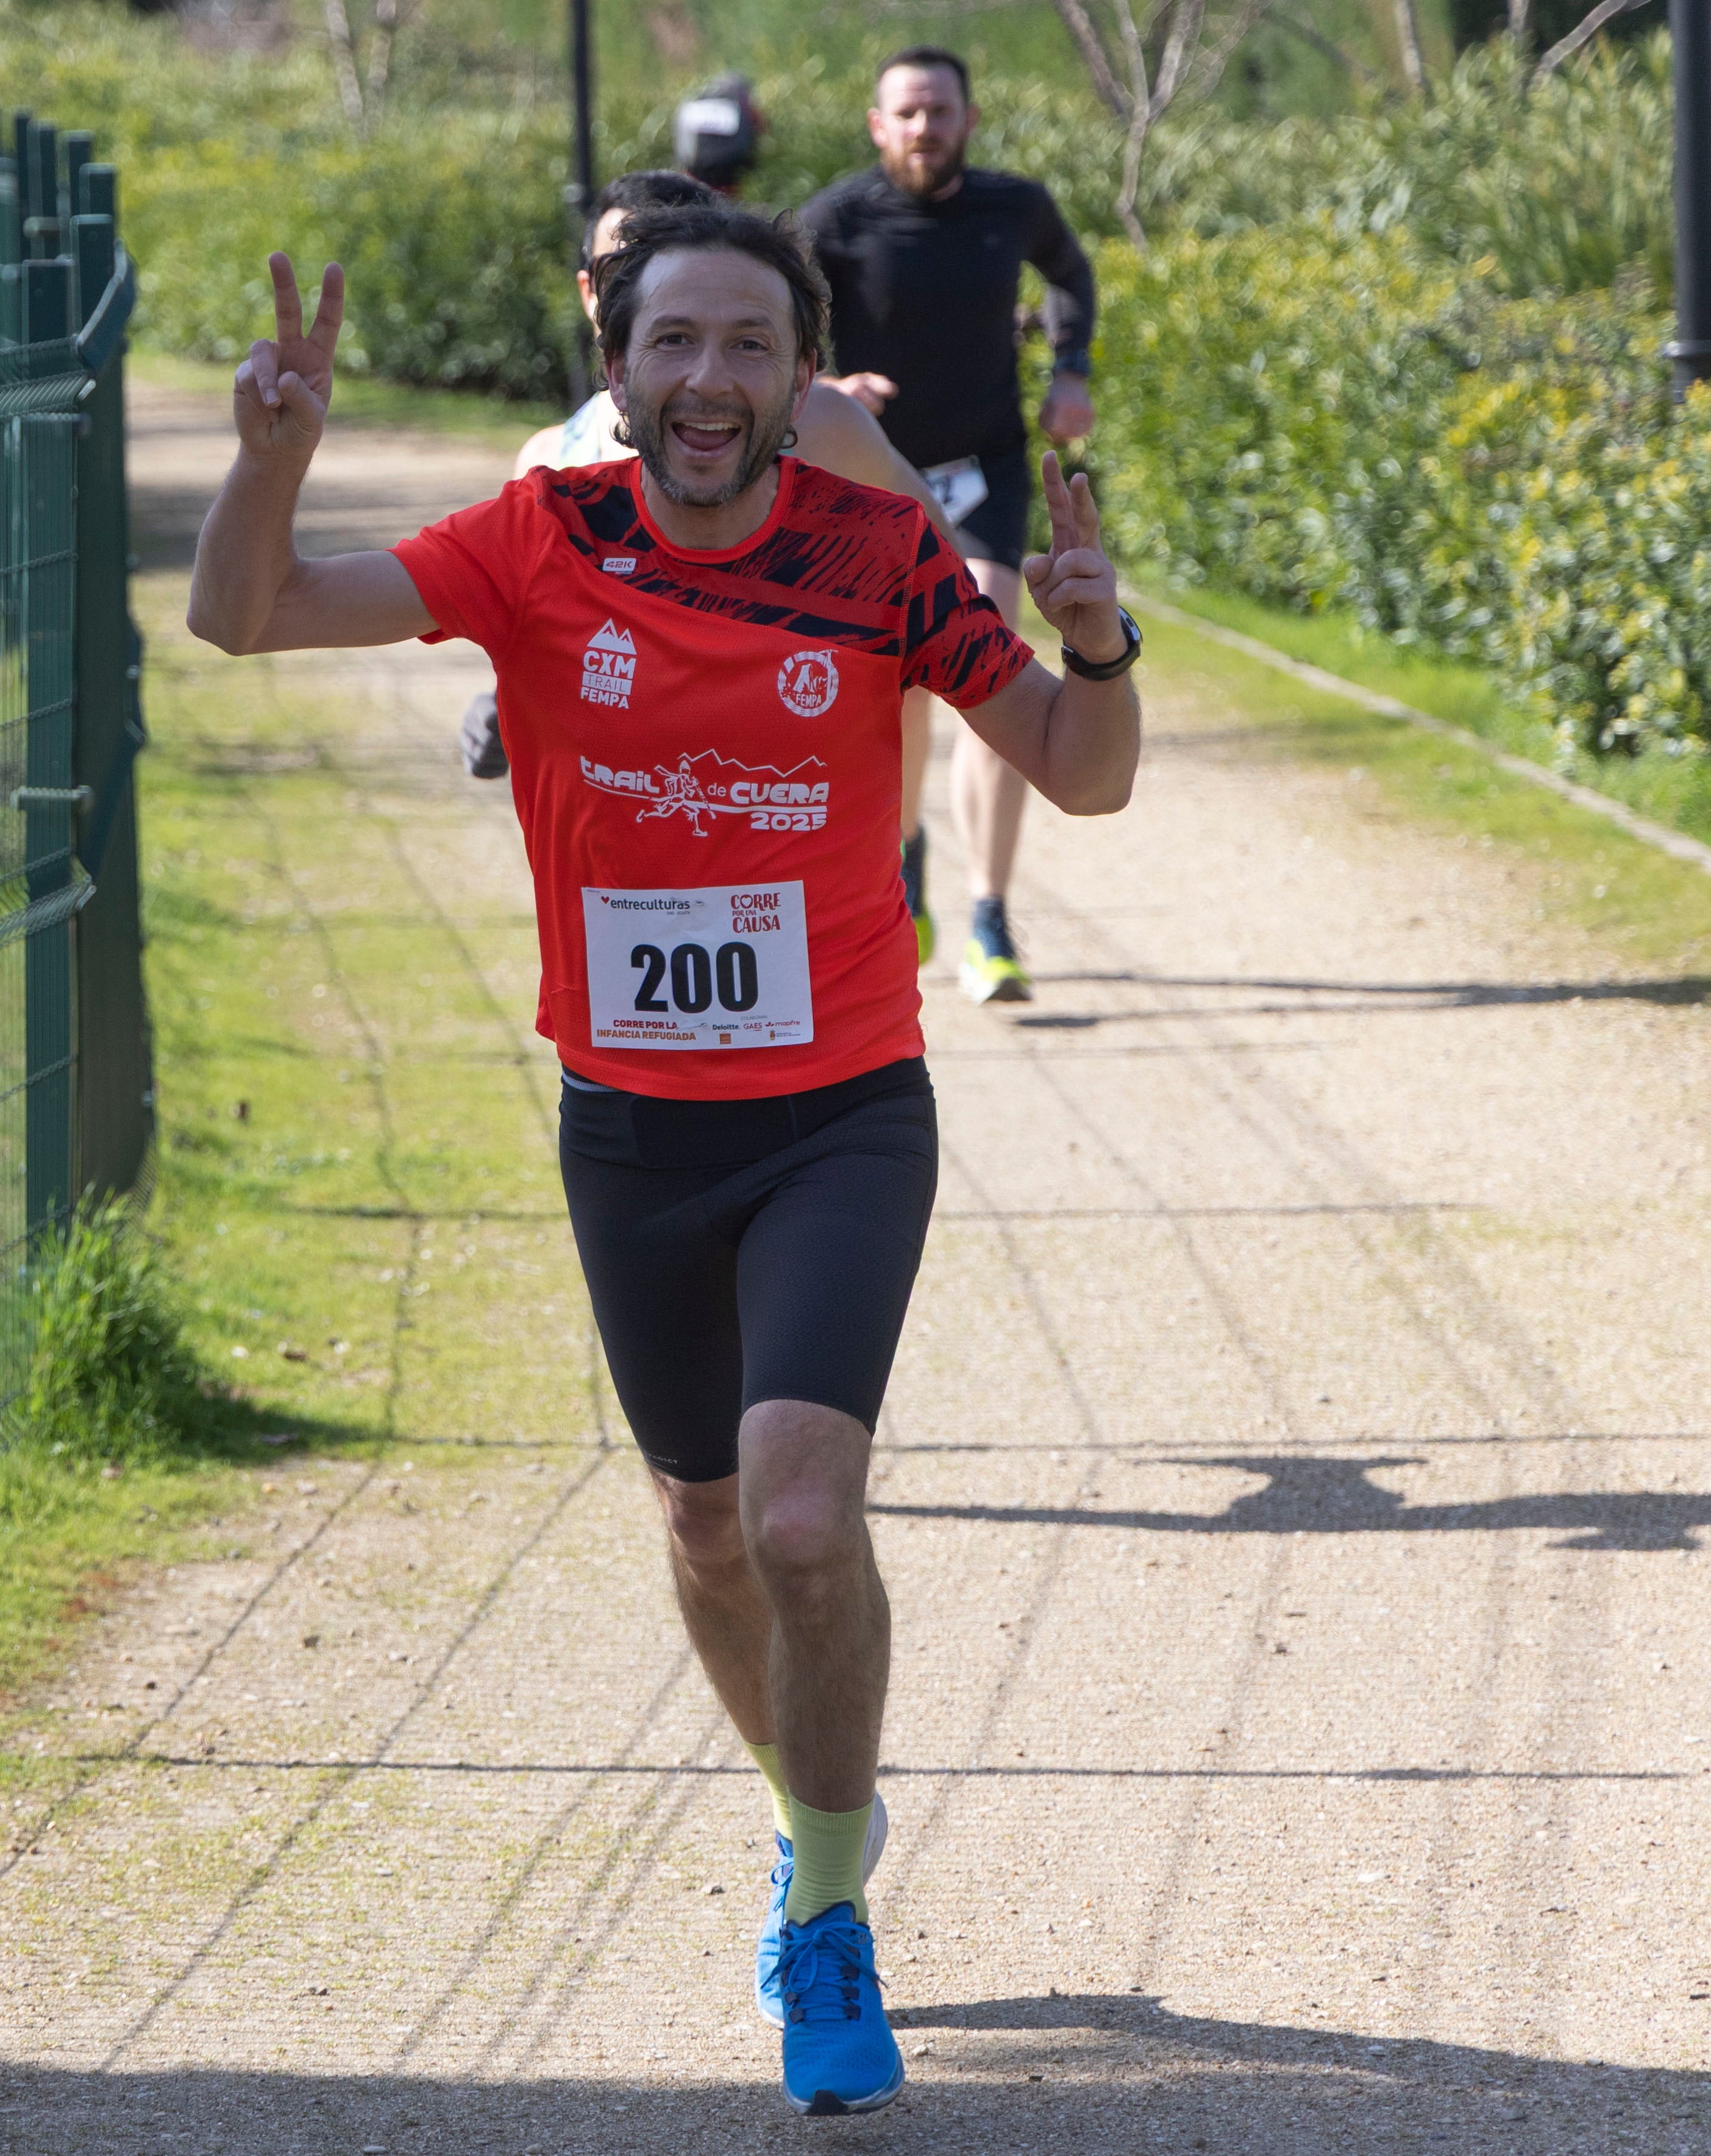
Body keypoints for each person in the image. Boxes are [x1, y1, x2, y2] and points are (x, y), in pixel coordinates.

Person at [188, 208, 1142, 2112]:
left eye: (746, 346)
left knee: (798, 1514)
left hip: (842, 1110)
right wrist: (272, 447)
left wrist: (1094, 633)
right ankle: (815, 1824)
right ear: (614, 369)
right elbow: (247, 612)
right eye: (673, 343)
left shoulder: (876, 557)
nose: (707, 378)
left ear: (801, 377)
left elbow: (1081, 767)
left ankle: (830, 1913)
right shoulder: (540, 541)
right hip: (628, 1123)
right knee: (703, 1524)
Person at [481, 168, 958, 965]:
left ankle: (906, 857)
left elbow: (935, 577)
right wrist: (497, 700)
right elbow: (525, 632)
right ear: (587, 291)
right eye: (616, 274)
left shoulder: (819, 423)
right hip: (645, 879)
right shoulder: (547, 462)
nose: (639, 288)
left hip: (803, 825)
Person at [802, 46, 1099, 1005]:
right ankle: (906, 849)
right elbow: (771, 316)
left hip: (985, 472)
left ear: (968, 119)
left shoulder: (1012, 207)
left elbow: (1071, 274)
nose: (925, 127)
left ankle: (990, 917)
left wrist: (1070, 370)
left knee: (985, 653)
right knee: (898, 694)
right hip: (875, 476)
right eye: (907, 113)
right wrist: (824, 389)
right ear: (877, 124)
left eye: (940, 110)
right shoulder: (834, 221)